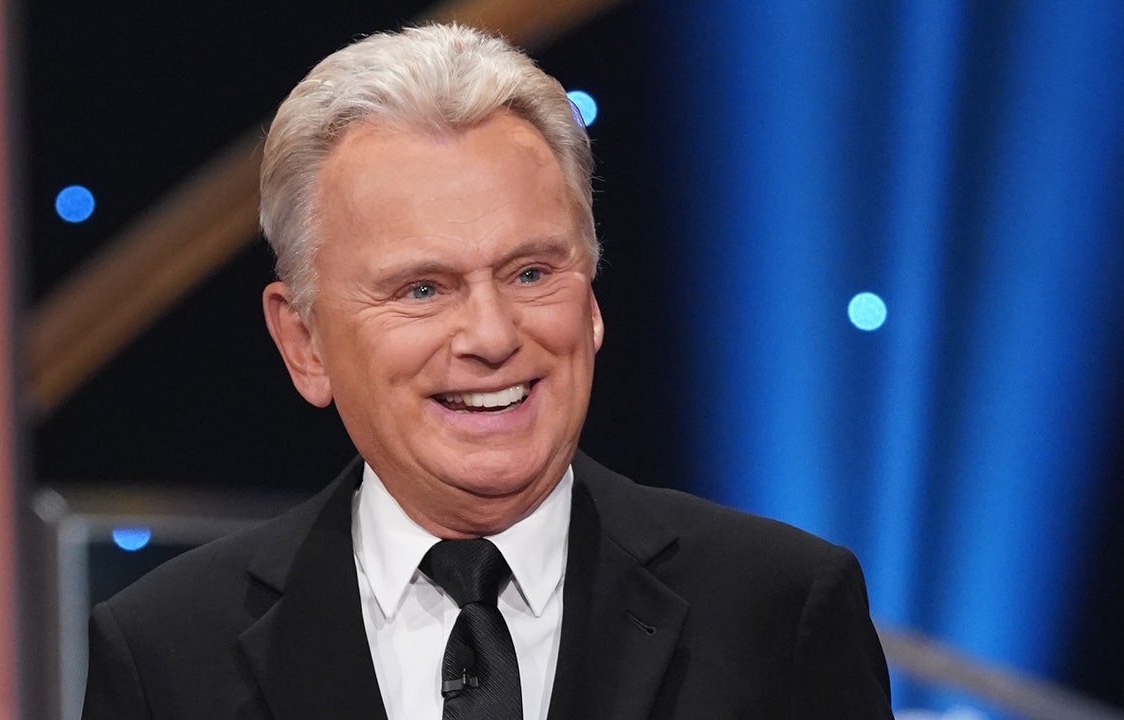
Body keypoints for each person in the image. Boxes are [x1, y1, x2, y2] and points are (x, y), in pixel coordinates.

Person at [81, 23, 894, 720]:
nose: (492, 335)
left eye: (531, 273)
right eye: (423, 289)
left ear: (592, 302)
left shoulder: (778, 611)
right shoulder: (166, 652)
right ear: (304, 343)